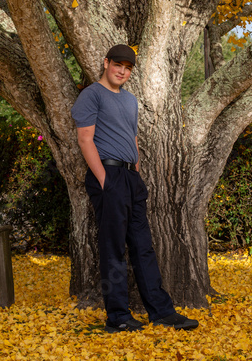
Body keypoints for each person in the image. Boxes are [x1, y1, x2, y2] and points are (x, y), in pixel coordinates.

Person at [71, 44, 199, 333]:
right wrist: (104, 180)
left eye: (128, 68)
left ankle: (162, 312)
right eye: (118, 65)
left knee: (143, 247)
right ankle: (118, 316)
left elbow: (132, 136)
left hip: (130, 178)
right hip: (109, 175)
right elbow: (85, 139)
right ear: (106, 63)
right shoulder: (91, 95)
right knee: (113, 248)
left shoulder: (130, 100)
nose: (122, 71)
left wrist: (136, 170)